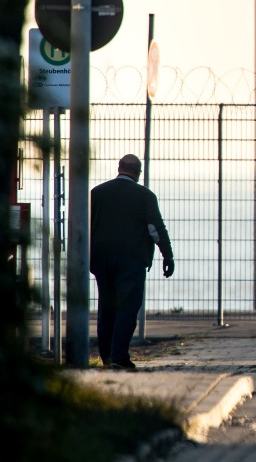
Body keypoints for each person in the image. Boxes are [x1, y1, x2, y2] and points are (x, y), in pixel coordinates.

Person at [90, 154, 175, 370]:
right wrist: (167, 255)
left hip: (101, 259)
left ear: (119, 168)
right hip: (132, 260)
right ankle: (119, 356)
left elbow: (86, 226)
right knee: (127, 308)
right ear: (138, 172)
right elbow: (155, 230)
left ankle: (106, 357)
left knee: (106, 306)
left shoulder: (97, 194)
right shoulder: (145, 196)